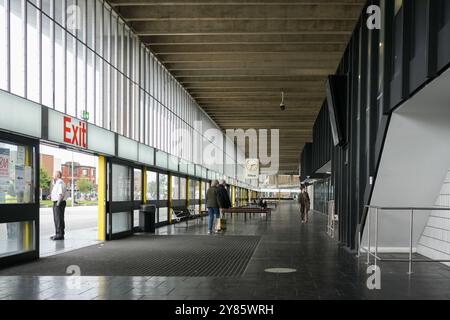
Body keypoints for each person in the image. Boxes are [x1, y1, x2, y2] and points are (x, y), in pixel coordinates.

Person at [50, 171, 67, 240]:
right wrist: (50, 196)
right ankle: (58, 234)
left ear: (57, 175)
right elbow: (58, 193)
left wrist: (57, 204)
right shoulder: (57, 183)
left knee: (58, 219)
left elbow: (61, 194)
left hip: (59, 203)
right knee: (58, 219)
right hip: (58, 202)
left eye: (54, 174)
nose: (53, 175)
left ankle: (59, 235)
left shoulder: (60, 182)